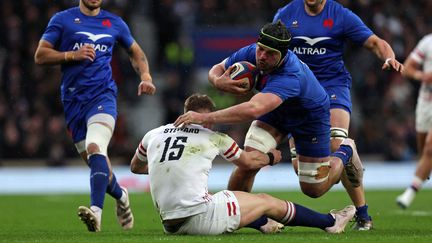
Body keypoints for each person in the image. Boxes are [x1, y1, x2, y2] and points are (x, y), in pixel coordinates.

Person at [175, 21, 362, 207]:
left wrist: (204, 117)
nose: (262, 56)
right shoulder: (252, 53)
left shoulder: (291, 75)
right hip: (276, 112)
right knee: (248, 162)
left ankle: (346, 149)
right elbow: (217, 68)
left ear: (283, 55)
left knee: (313, 189)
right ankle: (233, 213)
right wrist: (217, 81)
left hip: (309, 119)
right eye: (261, 49)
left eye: (270, 53)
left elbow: (253, 109)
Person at [131, 93, 355, 235]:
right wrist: (270, 157)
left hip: (169, 223)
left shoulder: (154, 134)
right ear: (207, 117)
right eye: (210, 119)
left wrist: (171, 164)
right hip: (197, 217)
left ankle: (262, 224)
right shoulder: (214, 137)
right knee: (265, 200)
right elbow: (247, 162)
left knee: (222, 197)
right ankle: (331, 221)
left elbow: (136, 167)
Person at [271, 0, 404, 230]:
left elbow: (374, 42)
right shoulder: (286, 14)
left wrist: (388, 57)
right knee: (304, 174)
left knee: (335, 144)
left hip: (332, 87)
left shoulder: (340, 15)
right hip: (300, 91)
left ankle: (363, 214)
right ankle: (347, 151)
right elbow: (272, 50)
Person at [34, 0, 156, 232]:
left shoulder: (115, 23)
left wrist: (146, 76)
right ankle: (121, 196)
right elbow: (40, 56)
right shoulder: (62, 20)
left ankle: (96, 213)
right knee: (97, 164)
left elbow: (136, 52)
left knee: (95, 147)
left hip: (103, 97)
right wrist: (72, 55)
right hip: (73, 103)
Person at [396, 34, 432, 209]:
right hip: (426, 103)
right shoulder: (427, 42)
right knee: (423, 150)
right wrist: (421, 75)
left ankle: (409, 193)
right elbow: (407, 68)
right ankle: (424, 169)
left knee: (430, 148)